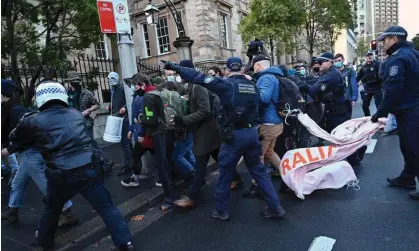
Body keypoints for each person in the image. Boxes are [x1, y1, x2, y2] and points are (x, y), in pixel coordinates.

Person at [1, 81, 134, 251]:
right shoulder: (76, 114)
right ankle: (126, 243)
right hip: (89, 169)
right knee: (107, 208)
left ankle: (44, 242)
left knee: (52, 209)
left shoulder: (32, 120)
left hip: (61, 174)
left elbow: (16, 139)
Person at [164, 57, 286, 220]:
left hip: (234, 136)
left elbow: (197, 76)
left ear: (228, 70)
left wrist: (176, 67)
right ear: (242, 69)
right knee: (259, 172)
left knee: (224, 174)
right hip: (252, 134)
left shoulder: (226, 85)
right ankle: (275, 207)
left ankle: (221, 210)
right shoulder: (252, 85)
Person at [370, 26, 419, 200]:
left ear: (395, 39)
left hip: (409, 110)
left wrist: (380, 112)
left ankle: (411, 179)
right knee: (408, 146)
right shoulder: (415, 54)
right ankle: (407, 178)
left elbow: (393, 89)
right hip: (413, 107)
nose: (383, 44)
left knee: (413, 148)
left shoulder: (397, 59)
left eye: (385, 40)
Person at [299, 52, 366, 173]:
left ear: (330, 62)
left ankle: (354, 161)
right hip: (334, 109)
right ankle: (359, 148)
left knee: (340, 137)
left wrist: (303, 86)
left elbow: (314, 90)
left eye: (321, 62)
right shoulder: (327, 73)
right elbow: (315, 85)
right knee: (333, 133)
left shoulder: (331, 75)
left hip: (338, 110)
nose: (319, 64)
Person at [243, 55, 284, 197]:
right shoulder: (274, 75)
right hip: (275, 123)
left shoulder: (266, 77)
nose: (253, 69)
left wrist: (251, 85)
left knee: (258, 156)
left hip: (268, 124)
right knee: (269, 153)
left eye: (254, 66)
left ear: (258, 65)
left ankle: (258, 186)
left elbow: (264, 98)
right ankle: (287, 175)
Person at [66, 72, 114, 175]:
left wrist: (88, 110)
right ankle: (87, 166)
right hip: (73, 124)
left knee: (91, 145)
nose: (75, 83)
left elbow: (96, 105)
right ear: (69, 82)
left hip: (86, 123)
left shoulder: (86, 93)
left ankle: (106, 162)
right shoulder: (67, 94)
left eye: (77, 81)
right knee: (78, 146)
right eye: (73, 81)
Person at [121, 74, 156, 187]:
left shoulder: (142, 97)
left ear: (142, 84)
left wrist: (140, 133)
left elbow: (141, 118)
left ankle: (135, 179)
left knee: (136, 156)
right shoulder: (138, 95)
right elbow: (135, 116)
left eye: (134, 85)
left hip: (146, 134)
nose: (132, 87)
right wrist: (131, 129)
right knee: (158, 157)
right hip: (146, 133)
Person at [107, 72, 133, 176]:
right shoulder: (112, 89)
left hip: (124, 119)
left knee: (125, 143)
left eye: (113, 78)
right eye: (109, 78)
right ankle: (131, 162)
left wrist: (125, 107)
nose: (110, 80)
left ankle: (128, 165)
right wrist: (110, 106)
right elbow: (115, 102)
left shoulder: (122, 88)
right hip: (118, 118)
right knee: (126, 143)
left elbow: (129, 99)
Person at [1, 79, 23, 180]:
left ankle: (14, 169)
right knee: (17, 184)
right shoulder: (5, 107)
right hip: (17, 148)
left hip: (28, 152)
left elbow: (19, 133)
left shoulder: (14, 109)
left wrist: (9, 148)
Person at [357, 52, 383, 116]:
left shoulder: (378, 64)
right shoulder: (364, 67)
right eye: (368, 56)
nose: (369, 57)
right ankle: (368, 118)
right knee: (364, 106)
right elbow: (357, 78)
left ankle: (379, 120)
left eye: (371, 55)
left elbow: (383, 74)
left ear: (373, 56)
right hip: (368, 87)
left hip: (377, 87)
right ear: (365, 57)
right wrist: (353, 85)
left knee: (379, 106)